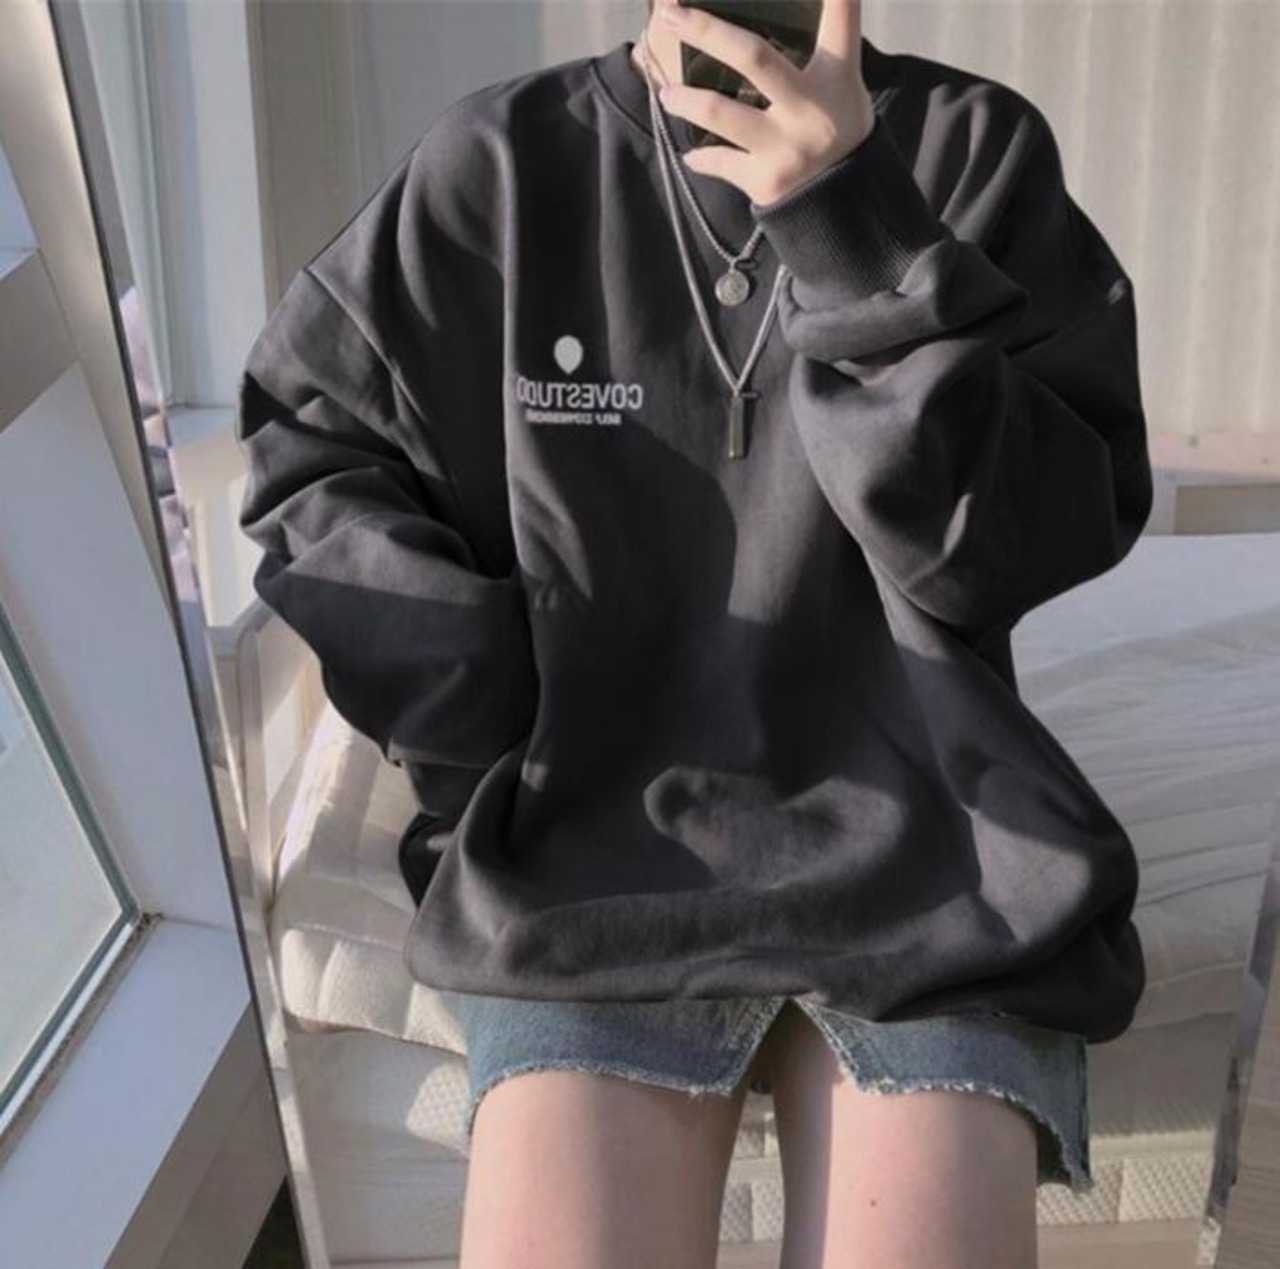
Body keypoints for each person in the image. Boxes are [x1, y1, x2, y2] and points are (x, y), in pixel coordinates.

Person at [236, 1, 1152, 1265]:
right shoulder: (500, 164)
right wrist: (477, 710)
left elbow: (1012, 547)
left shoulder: (968, 150)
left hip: (938, 857)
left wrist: (849, 226)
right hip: (583, 861)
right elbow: (310, 447)